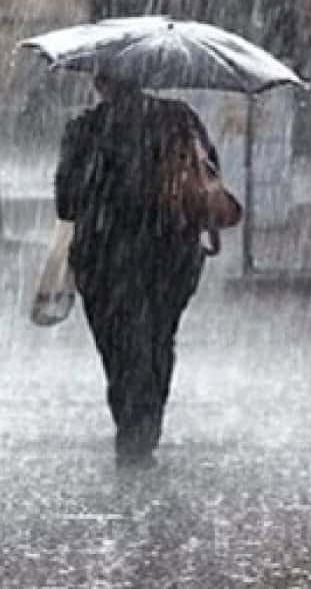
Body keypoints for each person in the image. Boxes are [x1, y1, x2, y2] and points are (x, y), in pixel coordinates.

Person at [54, 72, 224, 468]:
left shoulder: (85, 130)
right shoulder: (180, 118)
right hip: (172, 251)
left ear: (101, 83)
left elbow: (66, 203)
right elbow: (209, 172)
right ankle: (147, 425)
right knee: (159, 337)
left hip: (105, 257)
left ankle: (131, 427)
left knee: (119, 348)